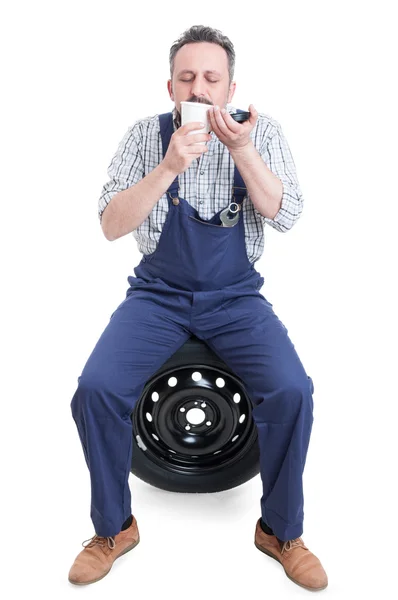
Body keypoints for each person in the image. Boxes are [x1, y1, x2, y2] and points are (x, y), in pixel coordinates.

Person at [68, 25, 328, 592]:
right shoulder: (145, 136)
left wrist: (242, 150)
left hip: (236, 298)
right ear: (170, 86)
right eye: (188, 77)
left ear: (231, 86)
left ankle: (281, 532)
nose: (200, 88)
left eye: (212, 78)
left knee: (292, 390)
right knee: (96, 389)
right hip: (156, 298)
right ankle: (113, 529)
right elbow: (112, 226)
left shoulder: (261, 135)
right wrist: (166, 169)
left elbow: (285, 215)